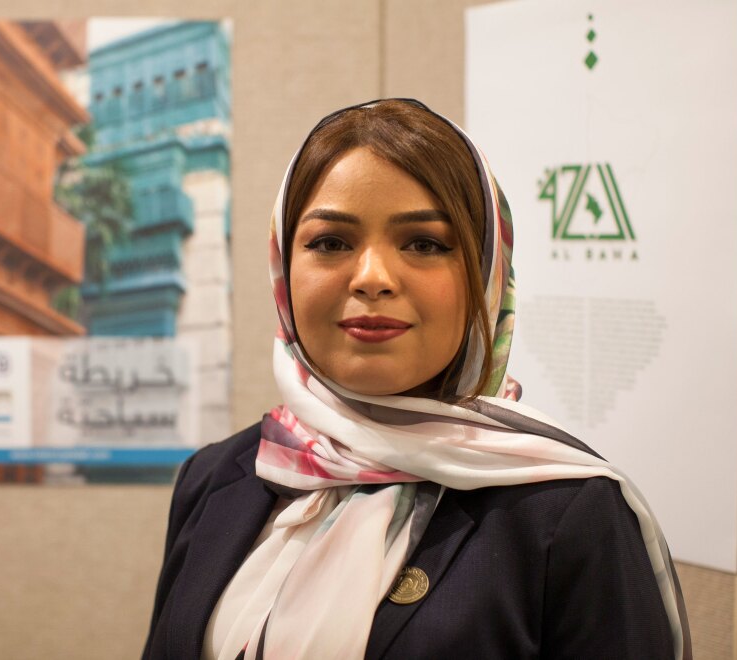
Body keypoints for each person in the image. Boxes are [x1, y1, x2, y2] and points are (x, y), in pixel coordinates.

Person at [143, 99, 691, 659]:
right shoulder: (216, 478)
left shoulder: (570, 514)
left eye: (424, 244)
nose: (372, 278)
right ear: (284, 267)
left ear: (485, 272)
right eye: (330, 243)